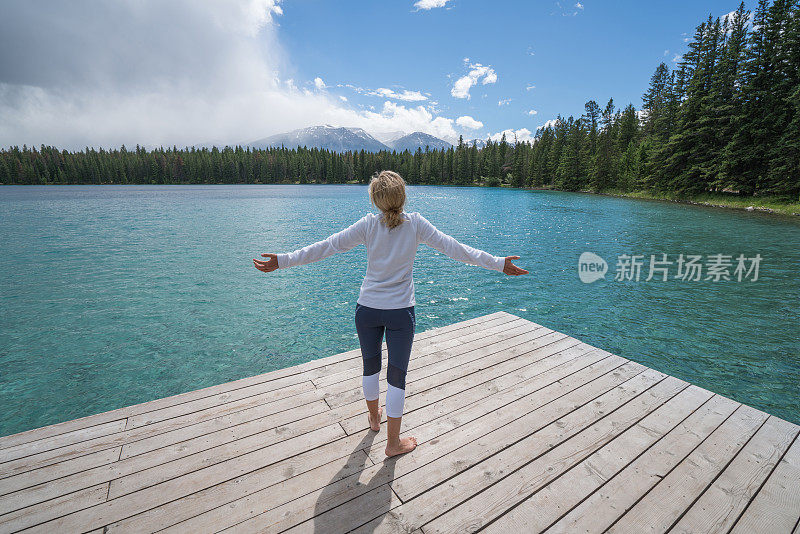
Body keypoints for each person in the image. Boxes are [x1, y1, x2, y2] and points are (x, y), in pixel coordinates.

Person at [253, 170, 528, 457]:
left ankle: (374, 419)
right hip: (400, 313)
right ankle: (392, 443)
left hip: (367, 310)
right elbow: (455, 249)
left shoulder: (367, 226)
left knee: (370, 366)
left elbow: (327, 246)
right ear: (403, 196)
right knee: (397, 376)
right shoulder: (416, 224)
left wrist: (283, 261)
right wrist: (498, 263)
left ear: (375, 200)